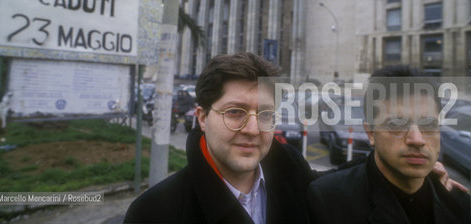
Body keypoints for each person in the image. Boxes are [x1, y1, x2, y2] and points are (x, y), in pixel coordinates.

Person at [124, 52, 321, 223]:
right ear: (202, 118)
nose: (253, 130)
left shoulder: (294, 174)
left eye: (265, 114)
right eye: (235, 112)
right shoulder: (154, 213)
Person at [307, 65, 470, 224]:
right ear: (371, 133)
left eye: (428, 125)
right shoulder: (330, 201)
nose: (417, 139)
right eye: (396, 125)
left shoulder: (459, 203)